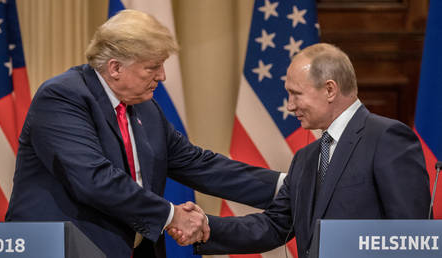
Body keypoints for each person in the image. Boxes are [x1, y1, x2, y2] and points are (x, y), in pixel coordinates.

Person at [4, 10, 284, 258]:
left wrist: (285, 186)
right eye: (152, 67)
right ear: (115, 68)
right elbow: (94, 179)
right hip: (63, 248)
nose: (162, 76)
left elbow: (198, 164)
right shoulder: (63, 97)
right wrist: (172, 215)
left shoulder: (145, 109)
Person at [174, 43, 431, 257]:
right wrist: (206, 227)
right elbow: (274, 225)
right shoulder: (307, 158)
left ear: (330, 89)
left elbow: (411, 237)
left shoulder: (386, 137)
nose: (289, 106)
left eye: (295, 94)